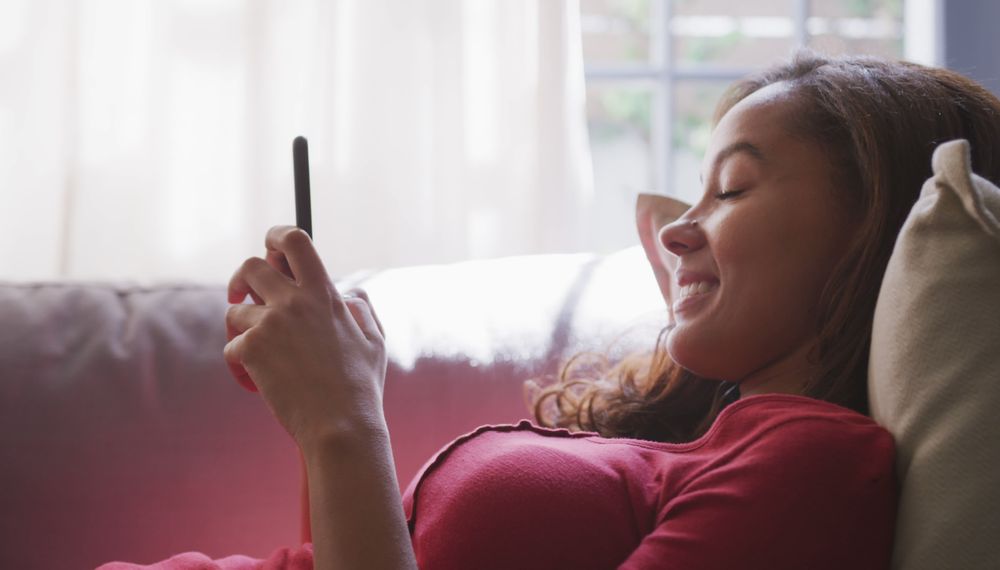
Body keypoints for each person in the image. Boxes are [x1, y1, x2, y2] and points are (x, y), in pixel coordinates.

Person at [99, 52, 1000, 570]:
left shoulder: (816, 463)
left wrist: (343, 423)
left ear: (869, 225)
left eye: (731, 191)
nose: (679, 233)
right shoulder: (689, 443)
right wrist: (328, 411)